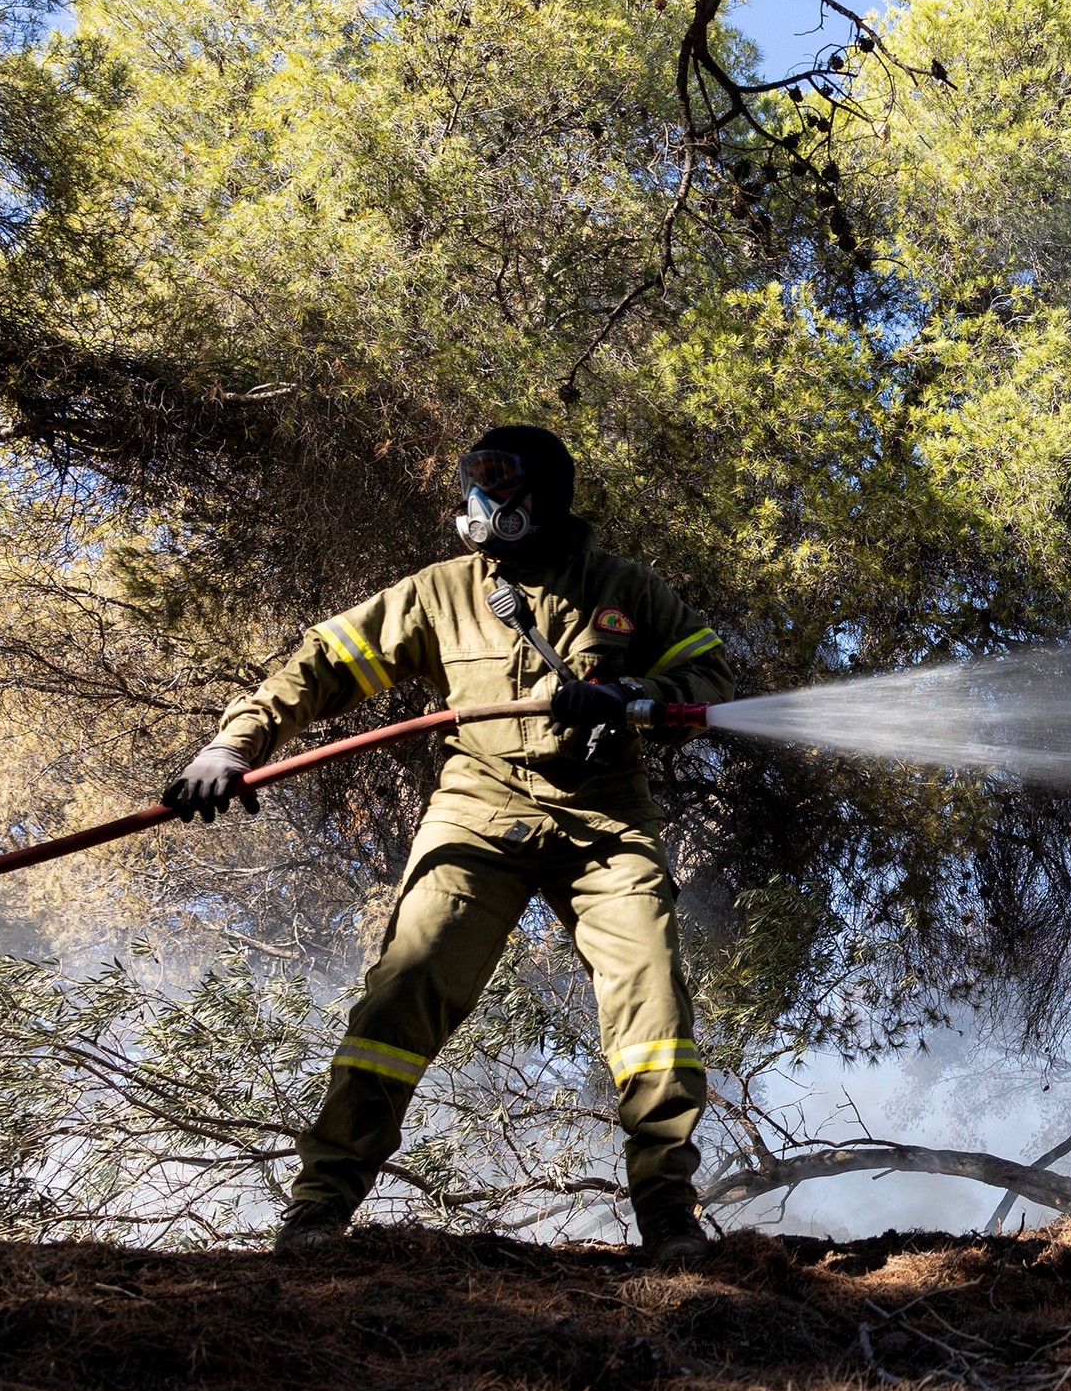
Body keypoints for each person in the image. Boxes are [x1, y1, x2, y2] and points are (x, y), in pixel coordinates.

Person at [162, 426, 741, 1260]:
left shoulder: (624, 589)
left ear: (547, 493)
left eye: (501, 482)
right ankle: (319, 1211)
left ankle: (666, 1215)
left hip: (607, 818)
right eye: (475, 482)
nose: (484, 501)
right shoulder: (440, 593)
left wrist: (635, 693)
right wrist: (234, 744)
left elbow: (711, 679)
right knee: (407, 986)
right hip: (478, 809)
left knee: (650, 995)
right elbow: (325, 662)